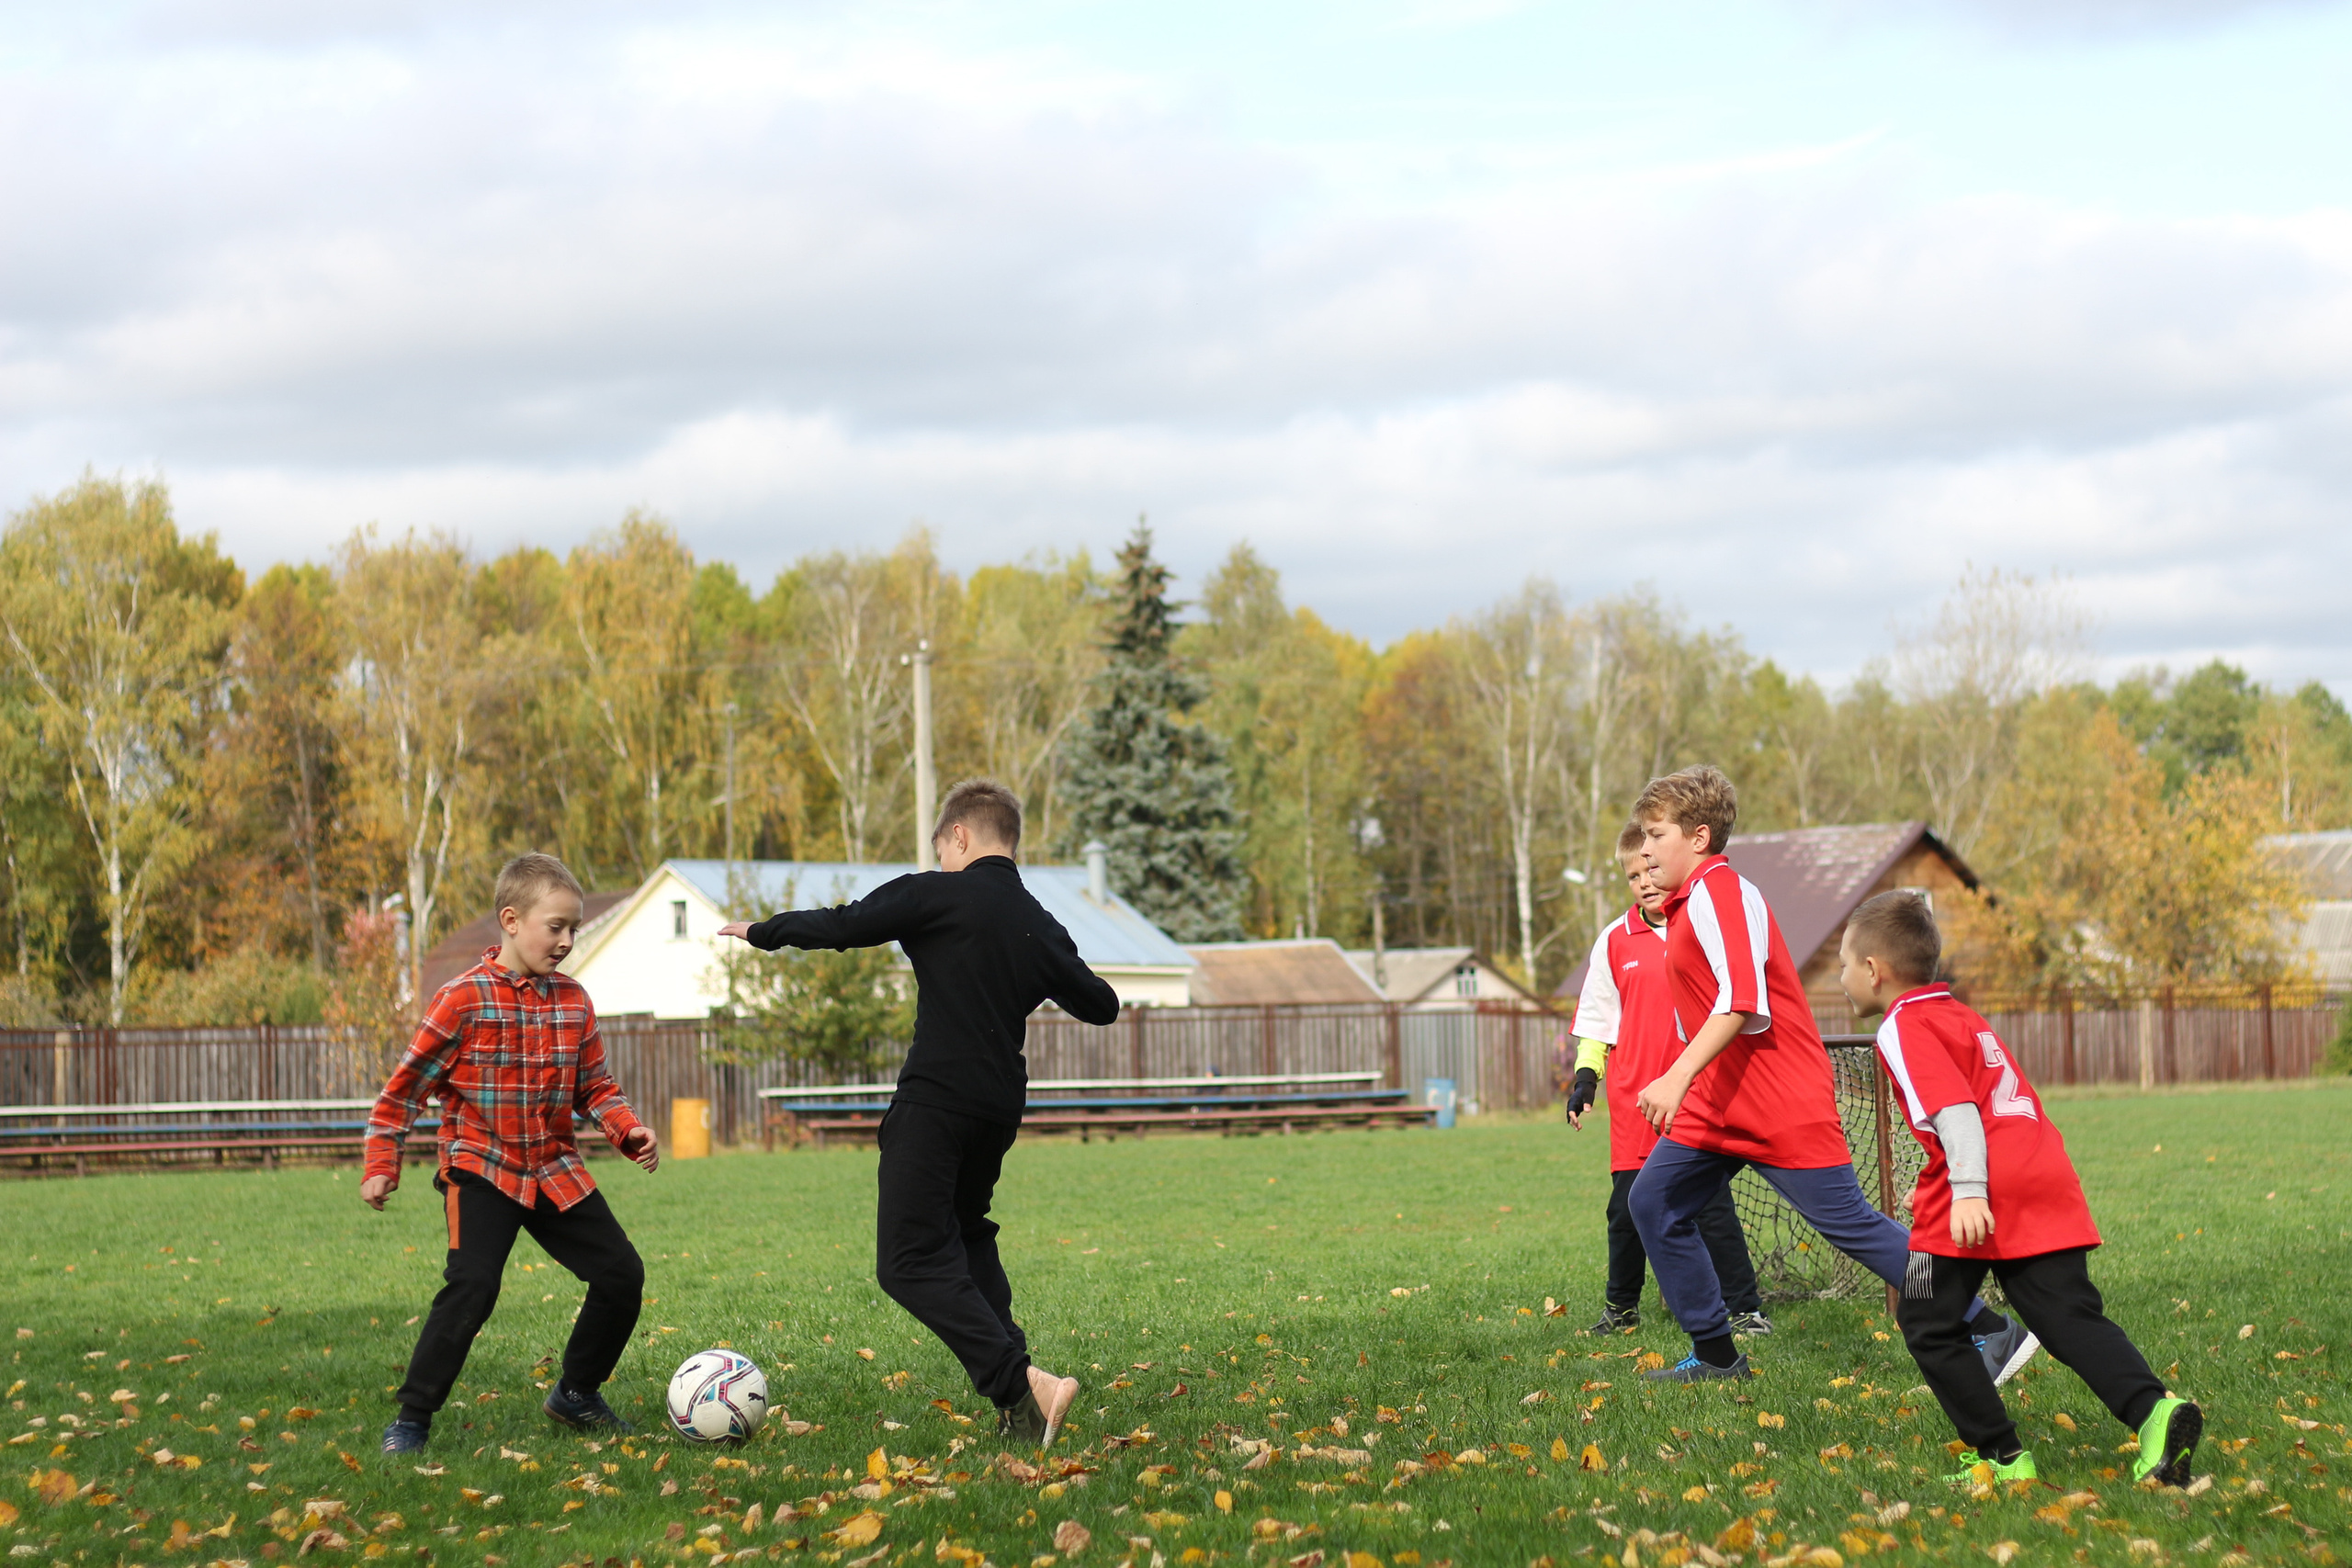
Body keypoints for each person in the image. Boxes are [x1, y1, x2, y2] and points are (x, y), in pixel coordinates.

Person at [718, 778, 1120, 1447]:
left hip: (936, 1099)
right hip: (997, 1109)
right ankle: (1022, 1410)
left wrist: (764, 931)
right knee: (965, 1236)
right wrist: (1039, 964)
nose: (942, 862)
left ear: (959, 836)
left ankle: (1021, 1382)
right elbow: (1101, 1003)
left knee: (905, 1260)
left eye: (943, 850)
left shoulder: (935, 892)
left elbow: (845, 925)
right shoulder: (1037, 920)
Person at [1624, 765, 2028, 1385]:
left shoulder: (1720, 891)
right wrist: (1686, 1076)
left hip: (1777, 1098)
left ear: (1699, 837)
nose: (1645, 849)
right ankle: (1716, 1354)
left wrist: (1675, 1077)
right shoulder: (1684, 905)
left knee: (1853, 1226)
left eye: (1655, 834)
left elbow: (1739, 997)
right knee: (1653, 1201)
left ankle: (1989, 1326)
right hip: (1720, 1102)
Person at [1839, 890, 2202, 1486]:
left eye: (1846, 965)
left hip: (1981, 1188)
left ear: (1874, 971)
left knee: (1924, 1314)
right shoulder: (1962, 1015)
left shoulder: (1901, 1025)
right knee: (2067, 1317)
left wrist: (1970, 1189)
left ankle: (2002, 1457)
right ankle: (2155, 1412)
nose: (1845, 979)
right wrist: (1946, 1177)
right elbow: (1981, 1109)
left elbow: (1956, 1111)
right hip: (2039, 1174)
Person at [362, 852, 659, 1454]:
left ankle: (576, 1392)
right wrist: (380, 1164)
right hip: (482, 1168)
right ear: (512, 919)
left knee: (621, 1274)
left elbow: (594, 1085)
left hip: (553, 1168)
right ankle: (413, 1418)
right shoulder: (461, 998)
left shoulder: (574, 1001)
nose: (568, 940)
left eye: (575, 928)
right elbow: (404, 1089)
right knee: (473, 1283)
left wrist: (625, 1130)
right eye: (557, 927)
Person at [1567, 822, 1770, 1337]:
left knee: (1711, 1208)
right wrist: (1586, 1078)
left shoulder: (1700, 923)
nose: (1645, 881)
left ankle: (1745, 1310)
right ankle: (1621, 1308)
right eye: (1633, 875)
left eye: (1651, 868)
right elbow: (1596, 1020)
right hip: (1636, 1102)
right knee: (1626, 1210)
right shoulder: (1614, 941)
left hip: (1697, 1095)